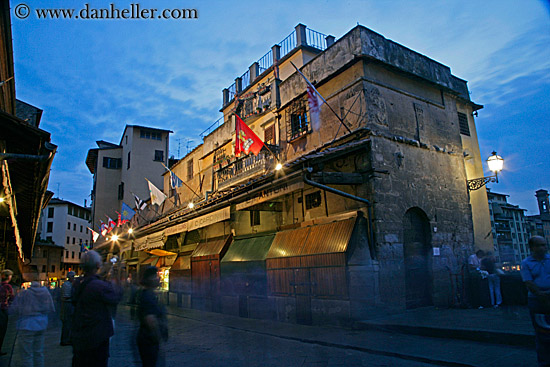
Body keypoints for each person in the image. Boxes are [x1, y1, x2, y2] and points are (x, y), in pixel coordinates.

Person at [71, 250, 121, 367]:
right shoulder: (99, 286)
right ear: (98, 265)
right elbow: (115, 296)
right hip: (96, 336)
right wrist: (116, 276)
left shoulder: (78, 283)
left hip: (80, 335)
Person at [10, 266, 55, 367]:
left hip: (26, 325)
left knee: (27, 355)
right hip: (41, 324)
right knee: (38, 353)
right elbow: (51, 308)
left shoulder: (24, 293)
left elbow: (14, 309)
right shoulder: (46, 292)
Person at [521, 236, 550, 367]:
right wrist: (540, 294)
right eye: (540, 245)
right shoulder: (526, 263)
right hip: (537, 301)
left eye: (545, 245)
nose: (544, 247)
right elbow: (528, 282)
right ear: (532, 248)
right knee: (542, 333)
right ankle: (544, 362)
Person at [137, 266, 168, 367]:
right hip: (149, 340)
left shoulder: (150, 294)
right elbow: (150, 320)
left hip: (149, 340)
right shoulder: (147, 296)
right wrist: (159, 339)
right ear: (150, 279)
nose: (158, 278)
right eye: (155, 276)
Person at [0, 269, 14, 356]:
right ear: (8, 277)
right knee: (2, 330)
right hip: (3, 309)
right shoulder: (7, 286)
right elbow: (12, 298)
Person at [60, 271, 75, 346]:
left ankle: (67, 339)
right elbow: (66, 297)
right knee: (66, 323)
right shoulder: (66, 285)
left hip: (69, 304)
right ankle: (65, 340)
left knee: (69, 323)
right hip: (67, 304)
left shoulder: (70, 284)